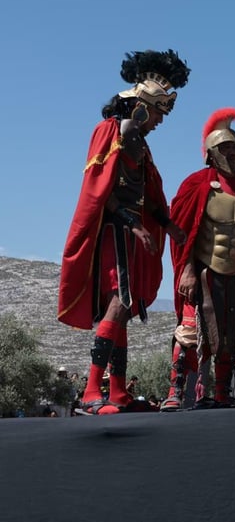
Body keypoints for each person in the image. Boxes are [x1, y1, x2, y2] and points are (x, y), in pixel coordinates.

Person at [58, 50, 190, 415]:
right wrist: (133, 225)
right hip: (115, 230)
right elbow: (102, 189)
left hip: (131, 232)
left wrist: (167, 225)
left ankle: (117, 391)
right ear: (143, 107)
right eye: (160, 112)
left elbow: (146, 193)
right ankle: (90, 391)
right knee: (119, 300)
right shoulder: (110, 132)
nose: (161, 120)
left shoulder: (140, 143)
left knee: (125, 306)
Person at [162, 108, 235, 411]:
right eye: (226, 148)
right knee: (190, 333)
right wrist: (185, 268)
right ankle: (177, 391)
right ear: (211, 153)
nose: (233, 152)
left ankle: (222, 393)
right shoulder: (196, 184)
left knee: (229, 336)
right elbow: (184, 231)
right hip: (204, 271)